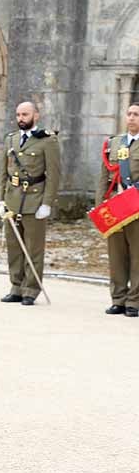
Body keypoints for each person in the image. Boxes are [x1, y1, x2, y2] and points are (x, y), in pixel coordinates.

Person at [0, 101, 61, 306]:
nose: (20, 118)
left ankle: (31, 289)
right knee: (14, 247)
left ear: (36, 116)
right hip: (13, 200)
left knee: (33, 248)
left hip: (35, 200)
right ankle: (16, 286)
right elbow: (3, 173)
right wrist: (1, 200)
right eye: (18, 115)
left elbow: (53, 174)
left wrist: (47, 203)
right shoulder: (11, 140)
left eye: (25, 114)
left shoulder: (47, 140)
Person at [97, 104, 139, 317]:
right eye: (129, 114)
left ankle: (134, 301)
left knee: (137, 256)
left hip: (137, 208)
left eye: (136, 115)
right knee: (116, 255)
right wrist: (100, 205)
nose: (131, 118)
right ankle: (118, 299)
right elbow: (104, 178)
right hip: (115, 207)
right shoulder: (114, 144)